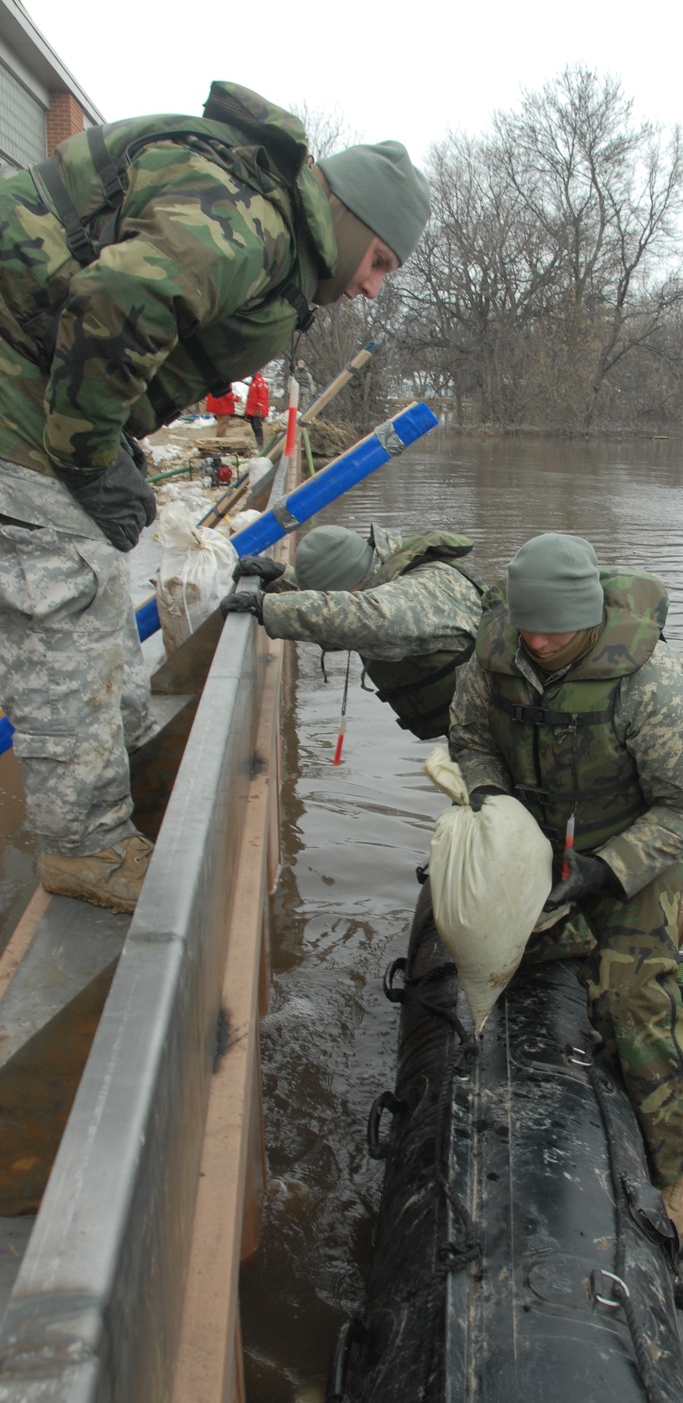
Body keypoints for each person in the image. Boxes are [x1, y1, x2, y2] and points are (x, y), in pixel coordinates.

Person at [0, 80, 431, 911]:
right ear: (345, 218)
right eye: (378, 260)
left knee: (94, 601)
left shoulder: (268, 225)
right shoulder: (250, 223)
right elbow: (118, 303)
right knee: (69, 592)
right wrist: (88, 456)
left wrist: (111, 440)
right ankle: (85, 848)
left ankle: (123, 775)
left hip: (34, 379)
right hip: (19, 394)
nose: (373, 286)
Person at [448, 533, 683, 1245]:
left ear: (590, 618)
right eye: (528, 626)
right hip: (538, 847)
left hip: (635, 847)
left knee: (634, 999)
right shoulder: (495, 657)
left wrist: (606, 871)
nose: (539, 642)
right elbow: (469, 739)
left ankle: (677, 1168)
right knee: (516, 959)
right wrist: (494, 810)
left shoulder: (648, 683)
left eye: (557, 630)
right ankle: (663, 923)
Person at [221, 524, 485, 740]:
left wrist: (268, 608)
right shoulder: (387, 577)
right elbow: (344, 605)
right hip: (476, 728)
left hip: (502, 731)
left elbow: (363, 618)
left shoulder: (425, 587)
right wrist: (281, 579)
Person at [244, 371, 270, 450]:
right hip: (252, 408)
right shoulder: (253, 382)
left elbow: (262, 395)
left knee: (257, 426)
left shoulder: (261, 382)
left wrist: (259, 406)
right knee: (253, 426)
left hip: (258, 409)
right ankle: (258, 442)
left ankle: (260, 444)